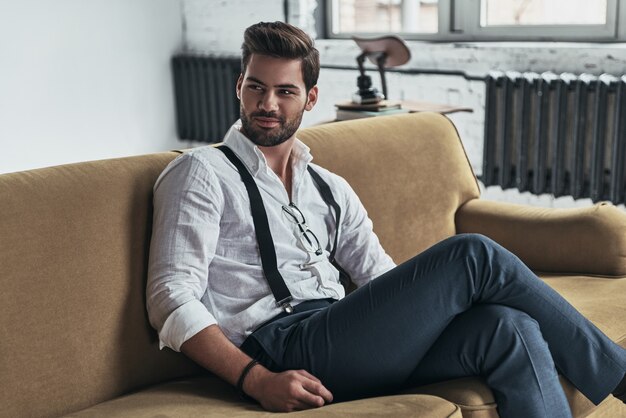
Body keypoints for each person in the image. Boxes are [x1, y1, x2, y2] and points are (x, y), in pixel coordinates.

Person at [147, 21, 626, 417]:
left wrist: (437, 310)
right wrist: (257, 380)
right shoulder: (201, 172)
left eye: (284, 91)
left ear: (310, 99)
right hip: (281, 347)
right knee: (473, 253)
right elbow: (171, 298)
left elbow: (379, 276)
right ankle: (621, 375)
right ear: (240, 87)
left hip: (344, 336)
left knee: (508, 326)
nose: (267, 104)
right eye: (256, 86)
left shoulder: (329, 187)